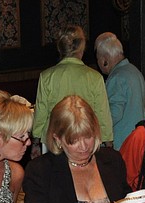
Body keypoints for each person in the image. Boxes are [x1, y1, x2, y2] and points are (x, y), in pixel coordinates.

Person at [32, 25, 112, 156]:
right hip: (85, 141)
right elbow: (102, 115)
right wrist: (108, 143)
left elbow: (41, 113)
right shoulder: (94, 77)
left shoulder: (46, 76)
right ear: (82, 48)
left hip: (55, 141)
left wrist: (35, 142)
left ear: (60, 48)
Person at [94, 32, 145, 149]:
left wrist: (95, 132)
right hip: (139, 138)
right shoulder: (135, 71)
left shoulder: (117, 78)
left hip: (123, 143)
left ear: (104, 60)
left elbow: (114, 114)